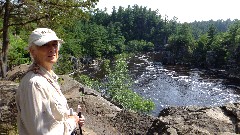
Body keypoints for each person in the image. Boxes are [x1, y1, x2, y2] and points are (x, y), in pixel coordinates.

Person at [16, 28, 85, 135]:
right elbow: (42, 131)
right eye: (45, 45)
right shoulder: (35, 84)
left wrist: (72, 116)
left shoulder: (48, 78)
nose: (52, 49)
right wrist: (72, 122)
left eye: (54, 44)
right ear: (33, 51)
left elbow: (53, 114)